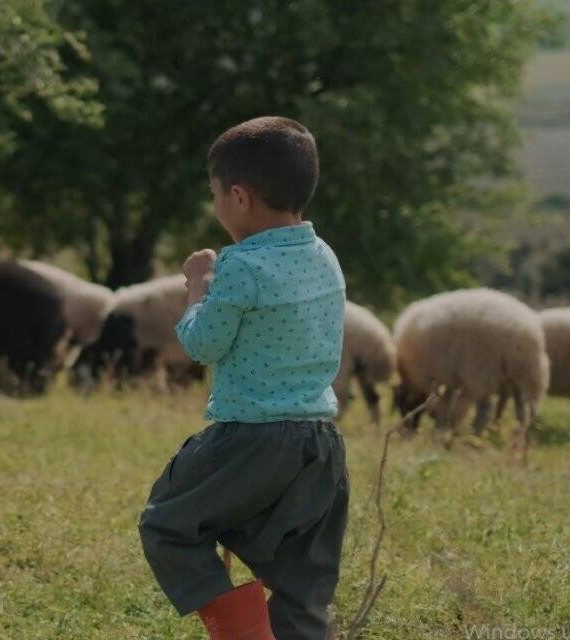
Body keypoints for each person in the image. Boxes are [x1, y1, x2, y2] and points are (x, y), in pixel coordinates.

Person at [138, 116, 349, 640]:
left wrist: (197, 286)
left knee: (167, 524)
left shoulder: (240, 266)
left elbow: (202, 343)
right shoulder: (325, 257)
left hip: (252, 438)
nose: (215, 205)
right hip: (319, 446)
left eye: (214, 194)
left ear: (238, 196)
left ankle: (242, 635)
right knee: (302, 585)